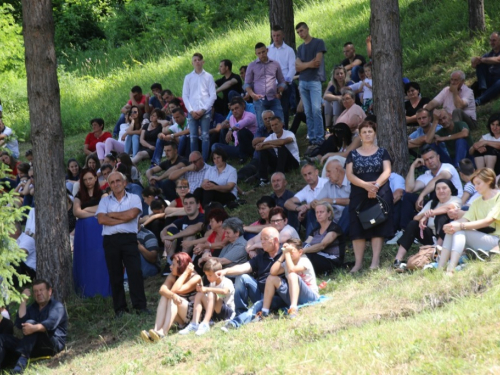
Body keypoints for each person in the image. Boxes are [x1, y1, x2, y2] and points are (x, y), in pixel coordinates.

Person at [96, 171, 147, 317]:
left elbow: (132, 215)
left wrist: (110, 214)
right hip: (110, 241)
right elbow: (101, 220)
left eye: (118, 181)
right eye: (112, 182)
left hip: (129, 239)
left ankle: (140, 306)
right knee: (115, 275)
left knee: (135, 272)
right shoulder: (105, 201)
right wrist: (123, 218)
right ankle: (120, 309)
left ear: (124, 182)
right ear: (109, 185)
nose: (115, 184)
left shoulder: (134, 198)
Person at [346, 120, 393, 272]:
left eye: (370, 131)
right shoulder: (352, 154)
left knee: (377, 224)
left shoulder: (382, 152)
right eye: (364, 132)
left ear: (375, 134)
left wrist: (375, 186)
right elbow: (349, 175)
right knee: (357, 227)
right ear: (359, 135)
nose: (367, 134)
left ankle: (375, 261)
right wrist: (366, 186)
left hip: (379, 191)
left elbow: (387, 171)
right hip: (359, 192)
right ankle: (358, 264)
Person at [217, 227, 285, 329]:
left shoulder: (284, 255)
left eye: (265, 239)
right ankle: (240, 312)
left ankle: (237, 322)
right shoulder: (261, 257)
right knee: (241, 277)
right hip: (259, 292)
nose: (262, 242)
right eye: (261, 239)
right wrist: (225, 271)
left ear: (275, 240)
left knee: (257, 305)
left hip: (276, 296)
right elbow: (244, 267)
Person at [0, 280, 67, 374]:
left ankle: (21, 364)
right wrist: (23, 301)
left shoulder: (57, 306)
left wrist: (33, 328)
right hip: (31, 346)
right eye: (35, 291)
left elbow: (50, 324)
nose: (38, 293)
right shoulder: (32, 308)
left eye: (41, 290)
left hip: (51, 345)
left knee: (31, 323)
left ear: (49, 291)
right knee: (3, 338)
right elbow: (20, 324)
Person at [440, 168, 500, 274]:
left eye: (478, 183)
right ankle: (441, 268)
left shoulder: (498, 197)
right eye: (474, 184)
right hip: (484, 237)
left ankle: (450, 269)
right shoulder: (477, 202)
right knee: (453, 228)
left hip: (497, 241)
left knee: (459, 229)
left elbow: (488, 221)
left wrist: (460, 226)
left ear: (489, 181)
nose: (476, 188)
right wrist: (452, 225)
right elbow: (465, 219)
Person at [392, 179, 461, 270]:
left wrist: (430, 214)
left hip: (448, 237)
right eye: (438, 189)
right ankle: (398, 259)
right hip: (431, 236)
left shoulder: (456, 199)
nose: (441, 191)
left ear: (450, 190)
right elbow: (416, 218)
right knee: (413, 224)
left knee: (443, 216)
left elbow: (449, 208)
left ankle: (437, 252)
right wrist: (425, 216)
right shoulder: (432, 203)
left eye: (444, 188)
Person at [398, 145, 463, 237]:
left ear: (438, 157)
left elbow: (438, 179)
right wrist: (412, 166)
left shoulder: (448, 167)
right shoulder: (426, 175)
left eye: (431, 158)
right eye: (426, 160)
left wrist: (422, 195)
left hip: (452, 204)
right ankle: (405, 230)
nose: (430, 161)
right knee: (408, 196)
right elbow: (409, 189)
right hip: (433, 204)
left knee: (435, 190)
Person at [140, 253, 201, 343]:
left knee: (172, 298)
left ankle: (163, 332)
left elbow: (176, 290)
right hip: (182, 315)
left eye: (173, 265)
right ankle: (156, 330)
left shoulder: (195, 277)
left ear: (182, 266)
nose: (170, 267)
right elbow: (162, 289)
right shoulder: (173, 276)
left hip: (194, 316)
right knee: (165, 296)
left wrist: (185, 273)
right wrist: (172, 295)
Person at [73, 168, 111, 298]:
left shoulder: (103, 193)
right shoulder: (78, 196)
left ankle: (102, 290)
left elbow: (104, 209)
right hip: (83, 232)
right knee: (85, 258)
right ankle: (86, 290)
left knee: (100, 257)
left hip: (98, 231)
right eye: (85, 180)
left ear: (95, 178)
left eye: (90, 178)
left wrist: (87, 209)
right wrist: (94, 210)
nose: (88, 182)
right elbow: (77, 212)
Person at [261, 238, 319, 318]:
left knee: (292, 275)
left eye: (292, 250)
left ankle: (293, 309)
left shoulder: (304, 260)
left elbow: (292, 270)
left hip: (310, 296)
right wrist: (283, 255)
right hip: (294, 295)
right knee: (271, 278)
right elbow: (273, 272)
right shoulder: (286, 262)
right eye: (287, 250)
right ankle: (264, 311)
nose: (289, 252)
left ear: (300, 252)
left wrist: (287, 254)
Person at [178, 258, 235, 336]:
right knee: (199, 294)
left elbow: (224, 292)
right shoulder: (213, 283)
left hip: (227, 312)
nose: (208, 278)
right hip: (215, 312)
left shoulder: (227, 282)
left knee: (211, 293)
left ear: (218, 273)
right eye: (207, 275)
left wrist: (207, 289)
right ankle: (194, 323)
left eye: (210, 275)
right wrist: (201, 289)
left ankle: (205, 323)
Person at [295, 22, 327, 147]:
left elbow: (317, 62)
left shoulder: (318, 43)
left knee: (316, 109)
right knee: (308, 111)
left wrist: (303, 65)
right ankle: (312, 137)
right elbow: (297, 66)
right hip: (303, 82)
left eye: (302, 31)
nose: (300, 34)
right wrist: (308, 64)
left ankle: (320, 137)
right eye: (298, 32)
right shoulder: (300, 48)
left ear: (307, 29)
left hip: (314, 80)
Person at [182, 52, 217, 162]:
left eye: (199, 60)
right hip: (192, 111)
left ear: (203, 62)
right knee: (193, 137)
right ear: (192, 63)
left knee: (205, 136)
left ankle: (204, 160)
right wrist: (191, 111)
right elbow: (185, 95)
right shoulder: (188, 77)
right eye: (195, 60)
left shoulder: (208, 77)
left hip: (205, 111)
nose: (197, 62)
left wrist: (203, 110)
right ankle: (195, 161)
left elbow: (213, 95)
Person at [244, 42, 286, 129]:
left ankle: (282, 141)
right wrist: (252, 95)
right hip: (259, 99)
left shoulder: (275, 64)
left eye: (263, 52)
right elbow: (246, 84)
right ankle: (266, 142)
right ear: (256, 54)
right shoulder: (252, 66)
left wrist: (280, 92)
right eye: (259, 53)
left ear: (267, 50)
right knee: (262, 125)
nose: (262, 55)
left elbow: (282, 81)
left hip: (274, 97)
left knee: (280, 122)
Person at [160, 193, 205, 272]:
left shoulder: (203, 217)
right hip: (181, 248)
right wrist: (164, 238)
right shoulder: (183, 219)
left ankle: (182, 264)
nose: (188, 206)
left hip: (197, 250)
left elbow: (194, 229)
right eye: (186, 203)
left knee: (189, 236)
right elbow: (164, 230)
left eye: (191, 203)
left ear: (198, 205)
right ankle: (170, 264)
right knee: (169, 232)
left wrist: (172, 237)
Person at [284, 163, 328, 237]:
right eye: (305, 175)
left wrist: (306, 208)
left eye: (309, 173)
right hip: (313, 219)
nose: (308, 177)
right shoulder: (306, 189)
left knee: (312, 211)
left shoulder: (326, 183)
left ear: (316, 172)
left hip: (326, 216)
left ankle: (309, 241)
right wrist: (299, 208)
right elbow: (287, 203)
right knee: (292, 210)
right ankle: (292, 238)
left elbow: (320, 203)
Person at [211, 96, 258, 163]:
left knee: (242, 131)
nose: (235, 111)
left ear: (242, 107)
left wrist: (230, 130)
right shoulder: (231, 118)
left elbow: (242, 123)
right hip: (239, 147)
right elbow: (235, 136)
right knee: (215, 146)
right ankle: (224, 155)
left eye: (236, 108)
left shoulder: (250, 115)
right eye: (232, 110)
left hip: (251, 145)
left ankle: (243, 157)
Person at [255, 116, 300, 186]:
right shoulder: (271, 136)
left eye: (276, 124)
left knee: (281, 147)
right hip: (280, 162)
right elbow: (258, 147)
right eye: (272, 125)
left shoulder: (289, 133)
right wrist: (270, 145)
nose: (274, 127)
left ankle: (279, 175)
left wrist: (266, 143)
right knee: (263, 150)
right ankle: (263, 179)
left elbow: (283, 142)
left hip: (292, 163)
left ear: (282, 124)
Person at [303, 201, 345, 275]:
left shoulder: (334, 228)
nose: (319, 214)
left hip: (332, 261)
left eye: (321, 212)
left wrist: (303, 251)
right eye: (317, 212)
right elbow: (306, 243)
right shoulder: (315, 231)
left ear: (329, 213)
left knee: (307, 256)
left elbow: (322, 245)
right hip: (317, 256)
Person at [267, 25, 296, 129]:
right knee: (271, 110)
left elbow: (292, 69)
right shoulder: (268, 50)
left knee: (283, 110)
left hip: (284, 83)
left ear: (283, 35)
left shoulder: (289, 50)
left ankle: (284, 131)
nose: (276, 38)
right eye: (274, 35)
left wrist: (283, 84)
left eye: (278, 35)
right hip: (270, 84)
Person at [313, 157, 351, 234]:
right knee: (311, 212)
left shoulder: (351, 181)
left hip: (350, 221)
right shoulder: (328, 185)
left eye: (329, 172)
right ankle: (313, 238)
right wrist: (313, 204)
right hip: (333, 221)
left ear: (337, 170)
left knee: (349, 209)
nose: (327, 175)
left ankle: (335, 237)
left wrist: (332, 201)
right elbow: (317, 201)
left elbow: (355, 201)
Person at [471, 31, 500, 106]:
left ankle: (479, 100)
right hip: (488, 80)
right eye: (490, 40)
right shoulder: (489, 54)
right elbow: (474, 65)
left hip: (498, 80)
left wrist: (481, 60)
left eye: (494, 40)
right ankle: (483, 90)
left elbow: (497, 60)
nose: (491, 42)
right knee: (480, 65)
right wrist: (474, 60)